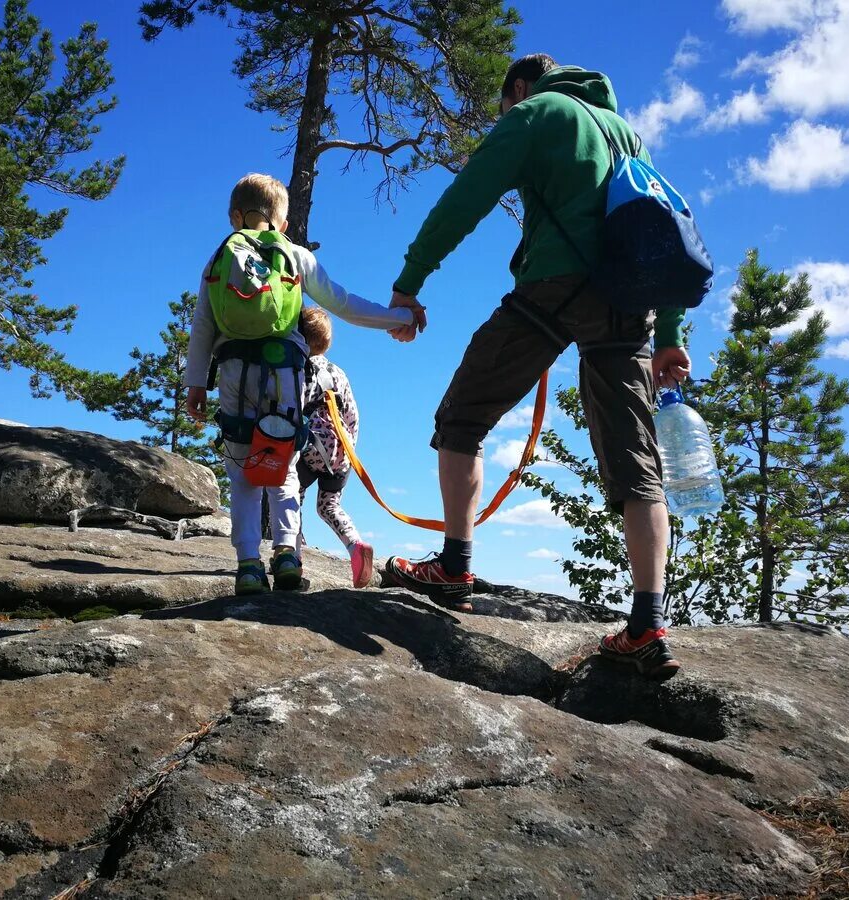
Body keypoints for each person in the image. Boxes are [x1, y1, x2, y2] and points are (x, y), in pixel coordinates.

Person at [384, 55, 691, 680]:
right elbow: (664, 229)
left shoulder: (534, 112)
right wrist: (672, 334)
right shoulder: (625, 132)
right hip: (628, 309)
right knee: (637, 462)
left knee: (462, 417)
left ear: (519, 88)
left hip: (551, 291)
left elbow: (465, 199)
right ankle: (649, 622)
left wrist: (410, 281)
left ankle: (453, 567)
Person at [186, 174, 413, 596]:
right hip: (285, 374)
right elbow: (343, 303)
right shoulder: (293, 255)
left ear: (236, 216)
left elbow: (202, 326)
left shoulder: (219, 258)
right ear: (283, 223)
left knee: (243, 472)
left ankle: (248, 565)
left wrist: (195, 383)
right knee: (282, 465)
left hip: (235, 372)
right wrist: (397, 319)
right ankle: (287, 555)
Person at [295, 306, 374, 589]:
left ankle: (293, 554)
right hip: (342, 451)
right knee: (329, 506)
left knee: (292, 496)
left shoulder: (300, 369)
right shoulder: (339, 372)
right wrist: (349, 451)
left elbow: (294, 408)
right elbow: (352, 415)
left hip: (309, 447)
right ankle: (355, 547)